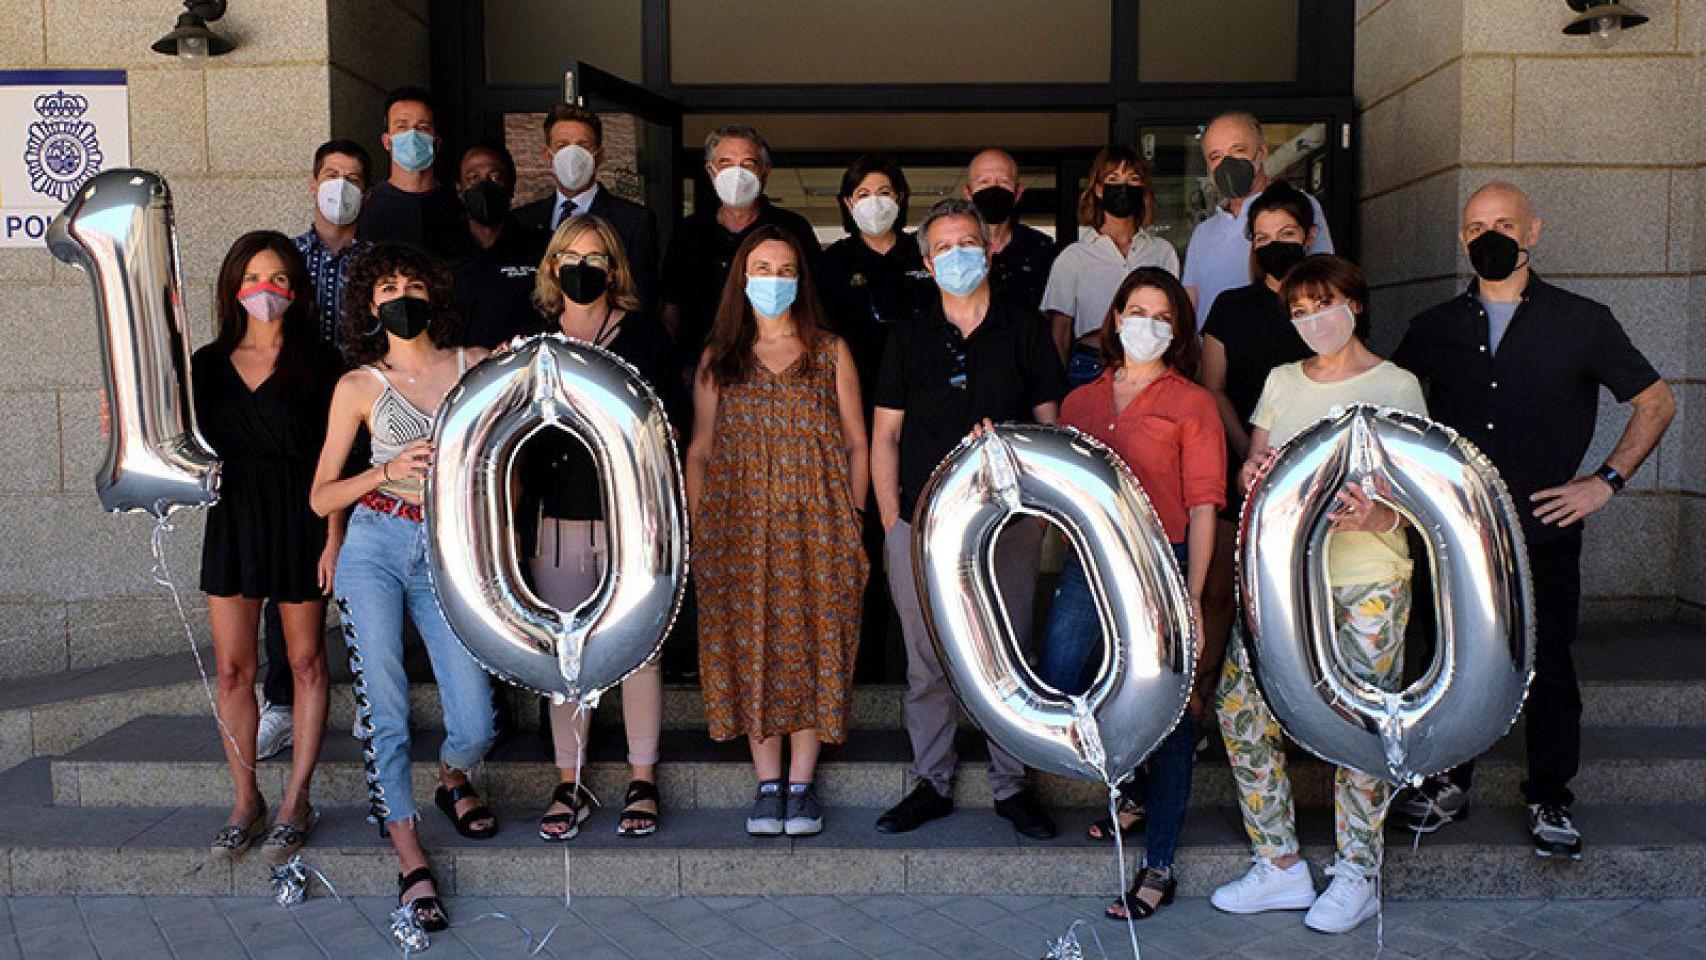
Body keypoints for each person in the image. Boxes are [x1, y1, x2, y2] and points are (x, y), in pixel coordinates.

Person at [1392, 181, 1673, 859]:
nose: (1489, 235)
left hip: (1542, 528)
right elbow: (1394, 409)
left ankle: (1550, 795)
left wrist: (1605, 483)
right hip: (1453, 530)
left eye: (1504, 223)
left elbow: (1656, 401)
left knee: (1547, 663)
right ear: (1463, 238)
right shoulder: (1431, 328)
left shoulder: (1583, 321)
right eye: (1476, 225)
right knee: (1448, 659)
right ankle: (1447, 781)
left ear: (1532, 232)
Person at [1209, 255, 1425, 935]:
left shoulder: (1398, 384)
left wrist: (1379, 516)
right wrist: (1252, 471)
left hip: (1370, 578)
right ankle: (1279, 864)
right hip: (1283, 578)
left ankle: (1357, 872)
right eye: (1299, 311)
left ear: (1354, 304)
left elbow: (1427, 493)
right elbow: (1255, 471)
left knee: (1364, 721)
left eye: (1322, 304)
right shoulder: (1280, 381)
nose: (1311, 321)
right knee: (1240, 706)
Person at [310, 242, 498, 933]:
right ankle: (409, 854)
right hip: (376, 545)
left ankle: (453, 776)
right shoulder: (359, 386)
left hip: (450, 545)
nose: (401, 295)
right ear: (370, 303)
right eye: (387, 286)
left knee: (474, 719)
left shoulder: (472, 364)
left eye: (413, 283)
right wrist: (383, 471)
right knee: (384, 704)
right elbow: (321, 493)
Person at [871, 198, 1066, 840]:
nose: (958, 255)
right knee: (926, 660)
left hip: (1006, 524)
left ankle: (1013, 783)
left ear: (988, 251)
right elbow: (885, 438)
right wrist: (893, 521)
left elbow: (1050, 426)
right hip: (920, 525)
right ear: (928, 262)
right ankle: (932, 781)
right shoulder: (907, 335)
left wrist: (1038, 516)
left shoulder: (1025, 329)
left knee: (1010, 653)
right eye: (945, 247)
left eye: (968, 243)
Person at [1037, 267, 1221, 921]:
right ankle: (1133, 780)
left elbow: (1202, 506)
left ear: (1178, 331)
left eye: (1163, 315)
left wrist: (1192, 594)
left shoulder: (1192, 402)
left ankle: (1158, 865)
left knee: (1171, 714)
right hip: (1090, 563)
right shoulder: (1080, 402)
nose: (1147, 323)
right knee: (1060, 672)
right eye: (1136, 310)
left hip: (1163, 563)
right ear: (1114, 318)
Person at [685, 225, 868, 837]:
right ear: (742, 277)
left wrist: (855, 521)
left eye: (785, 269)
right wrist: (699, 529)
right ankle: (767, 782)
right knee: (751, 642)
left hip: (819, 525)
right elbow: (701, 451)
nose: (773, 280)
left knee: (818, 641)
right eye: (761, 268)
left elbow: (856, 442)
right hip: (738, 529)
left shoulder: (830, 350)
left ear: (801, 279)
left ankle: (802, 782)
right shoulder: (720, 357)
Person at [522, 214, 685, 841]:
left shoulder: (643, 337)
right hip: (558, 515)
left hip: (631, 517)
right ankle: (571, 780)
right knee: (565, 654)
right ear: (553, 266)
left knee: (639, 648)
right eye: (570, 255)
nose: (582, 267)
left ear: (614, 268)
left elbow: (670, 428)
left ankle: (642, 776)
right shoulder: (536, 340)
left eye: (595, 256)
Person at [184, 233, 339, 865]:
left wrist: (335, 538)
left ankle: (297, 798)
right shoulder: (203, 364)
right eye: (252, 275)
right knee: (233, 670)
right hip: (234, 518)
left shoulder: (322, 363)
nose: (265, 289)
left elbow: (345, 459)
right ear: (232, 285)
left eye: (278, 278)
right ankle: (245, 797)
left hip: (303, 517)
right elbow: (171, 437)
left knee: (304, 662)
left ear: (296, 290)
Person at [1189, 181, 1317, 762]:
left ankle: (1300, 718)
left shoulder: (1327, 303)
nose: (1274, 246)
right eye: (1263, 238)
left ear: (1310, 237)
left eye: (1286, 235)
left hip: (1312, 476)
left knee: (1293, 597)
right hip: (1237, 465)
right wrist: (1249, 451)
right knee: (1219, 594)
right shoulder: (1231, 308)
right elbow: (1213, 388)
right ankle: (1199, 713)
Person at [257, 139, 374, 764]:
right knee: (291, 567)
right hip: (295, 433)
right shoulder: (285, 261)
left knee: (360, 568)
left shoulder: (381, 263)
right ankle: (281, 701)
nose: (340, 186)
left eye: (352, 178)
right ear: (312, 183)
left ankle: (367, 695)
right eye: (331, 175)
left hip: (365, 432)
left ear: (368, 192)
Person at [818, 153, 932, 682]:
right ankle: (863, 670)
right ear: (847, 204)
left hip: (918, 417)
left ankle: (921, 666)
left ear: (902, 198)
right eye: (863, 194)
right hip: (854, 418)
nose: (875, 203)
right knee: (861, 542)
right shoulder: (833, 264)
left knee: (914, 540)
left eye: (884, 191)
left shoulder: (924, 256)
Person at [661, 123, 820, 376]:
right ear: (711, 172)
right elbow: (672, 309)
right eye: (726, 164)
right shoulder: (690, 232)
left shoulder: (792, 229)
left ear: (765, 171)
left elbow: (813, 299)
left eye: (748, 164)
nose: (737, 174)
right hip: (700, 367)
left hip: (778, 365)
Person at [1041, 145, 1180, 385]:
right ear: (1098, 189)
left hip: (1151, 363)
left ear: (1143, 188)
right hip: (1091, 362)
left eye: (1132, 179)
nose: (1123, 186)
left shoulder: (1162, 252)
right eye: (1113, 178)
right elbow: (1061, 331)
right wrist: (1055, 387)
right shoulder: (1073, 257)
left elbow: (1175, 318)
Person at [1182, 111, 1333, 321]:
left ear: (1262, 151)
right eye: (1215, 156)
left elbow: (1324, 281)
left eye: (1238, 150)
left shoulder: (1296, 206)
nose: (1227, 163)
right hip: (1211, 350)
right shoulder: (1203, 232)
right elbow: (1190, 302)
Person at [513, 103, 660, 310]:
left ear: (599, 156)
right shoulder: (522, 221)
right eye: (562, 146)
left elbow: (642, 297)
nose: (572, 156)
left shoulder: (634, 221)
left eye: (582, 146)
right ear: (548, 156)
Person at [450, 142, 550, 348]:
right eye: (473, 178)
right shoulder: (441, 251)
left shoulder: (541, 247)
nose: (484, 185)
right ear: (459, 190)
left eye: (495, 177)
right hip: (461, 372)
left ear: (511, 187)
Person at [357, 87, 462, 257]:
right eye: (402, 127)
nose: (412, 135)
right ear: (386, 141)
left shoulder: (458, 205)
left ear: (437, 141)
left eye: (423, 127)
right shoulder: (367, 206)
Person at [963, 148, 1056, 314]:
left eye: (1003, 182)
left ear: (1018, 192)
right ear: (968, 193)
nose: (993, 189)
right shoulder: (951, 251)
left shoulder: (1042, 250)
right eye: (984, 182)